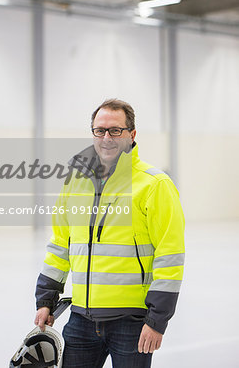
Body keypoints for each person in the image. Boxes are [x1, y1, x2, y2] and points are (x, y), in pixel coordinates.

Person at [34, 99, 185, 368]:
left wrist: (157, 321)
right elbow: (60, 246)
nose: (107, 137)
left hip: (132, 322)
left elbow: (169, 256)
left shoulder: (154, 185)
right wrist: (46, 299)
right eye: (100, 130)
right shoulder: (74, 183)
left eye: (115, 130)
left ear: (132, 135)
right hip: (80, 320)